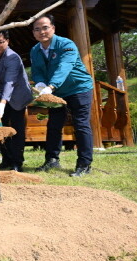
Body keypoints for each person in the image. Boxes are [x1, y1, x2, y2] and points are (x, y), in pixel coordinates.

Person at [30, 14, 94, 177]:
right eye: (37, 29)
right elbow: (37, 70)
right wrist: (40, 84)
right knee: (53, 125)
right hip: (57, 92)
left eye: (45, 27)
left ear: (53, 28)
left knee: (81, 124)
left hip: (78, 88)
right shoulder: (35, 50)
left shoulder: (66, 44)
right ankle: (51, 160)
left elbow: (64, 67)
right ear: (33, 33)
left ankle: (84, 164)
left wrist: (51, 86)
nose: (41, 32)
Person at [0, 30, 34, 172]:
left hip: (18, 95)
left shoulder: (13, 57)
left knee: (16, 130)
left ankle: (17, 162)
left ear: (7, 42)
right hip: (0, 95)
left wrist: (3, 101)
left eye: (0, 42)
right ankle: (6, 160)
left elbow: (10, 81)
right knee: (2, 128)